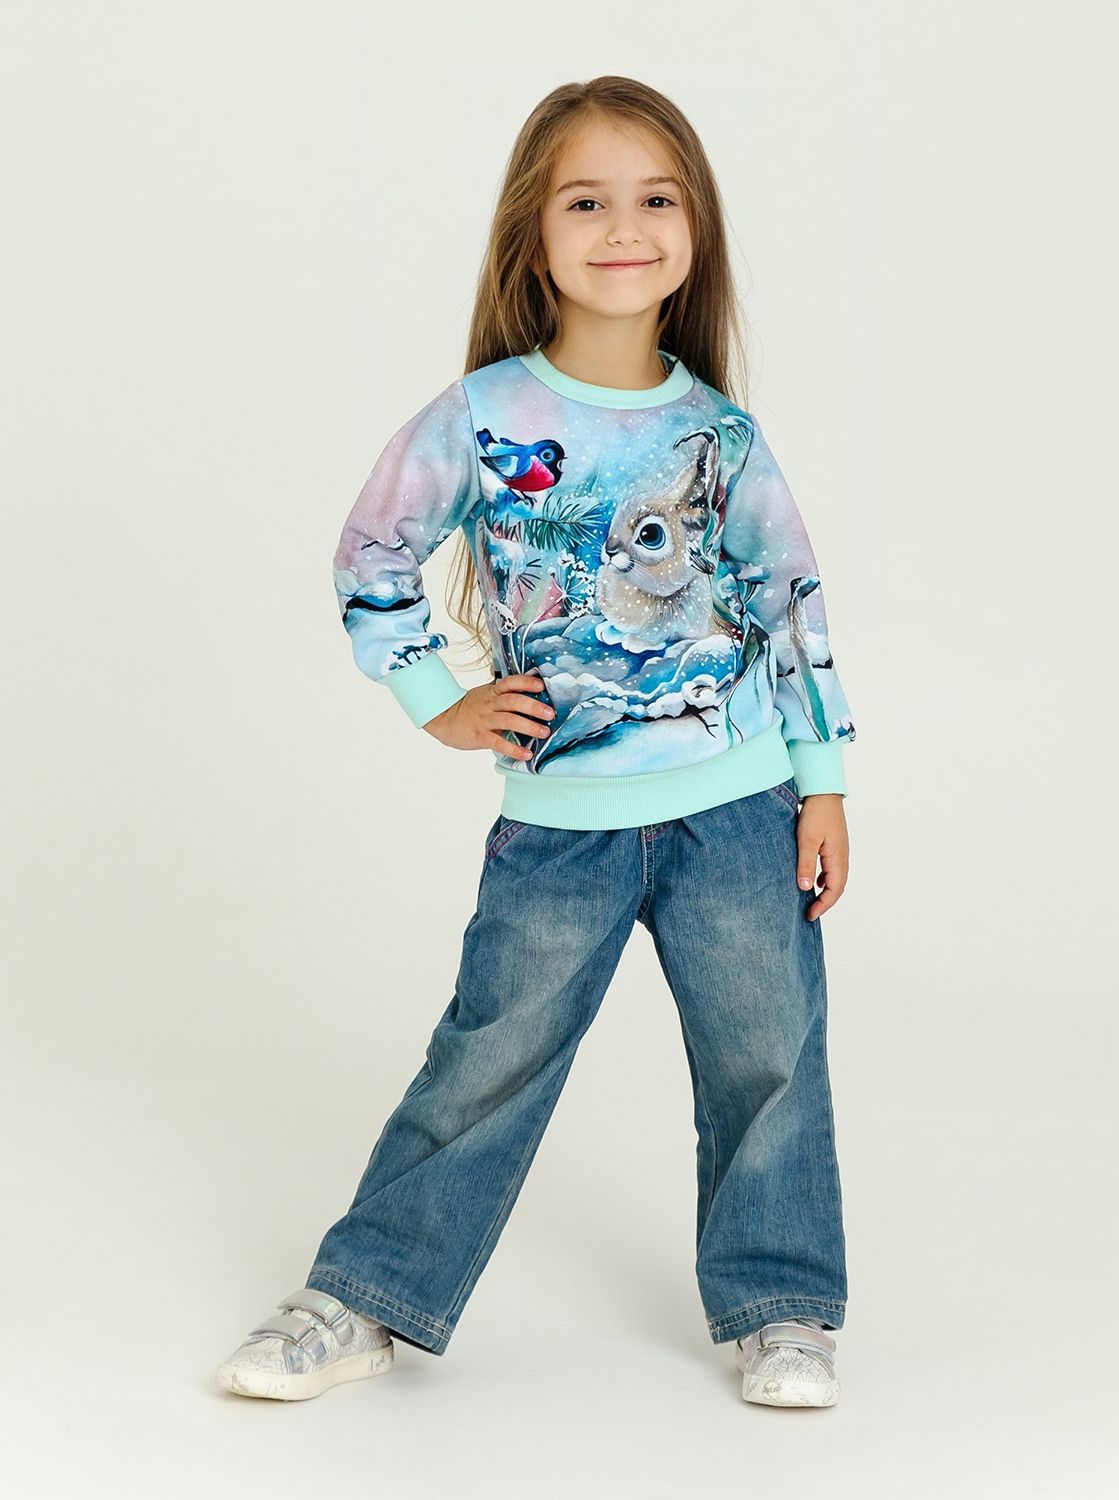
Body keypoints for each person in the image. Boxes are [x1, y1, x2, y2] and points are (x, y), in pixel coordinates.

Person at [217, 74, 857, 1410]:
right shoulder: (482, 415)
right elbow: (371, 552)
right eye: (586, 202)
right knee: (486, 1060)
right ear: (534, 235)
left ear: (695, 229)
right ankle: (366, 1295)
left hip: (738, 804)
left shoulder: (721, 436)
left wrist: (823, 784)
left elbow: (791, 602)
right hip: (560, 827)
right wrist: (435, 699)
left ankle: (785, 1305)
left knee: (771, 1058)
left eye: (656, 199)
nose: (625, 228)